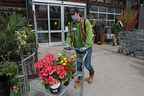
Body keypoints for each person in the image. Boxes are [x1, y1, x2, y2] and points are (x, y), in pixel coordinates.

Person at [66, 9, 95, 83]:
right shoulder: (72, 24)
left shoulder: (86, 22)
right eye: (71, 15)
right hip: (78, 48)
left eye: (73, 14)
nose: (72, 17)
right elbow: (69, 35)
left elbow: (89, 35)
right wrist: (68, 43)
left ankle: (91, 74)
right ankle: (80, 78)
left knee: (87, 64)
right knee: (78, 65)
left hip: (86, 48)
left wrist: (86, 45)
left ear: (78, 14)